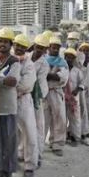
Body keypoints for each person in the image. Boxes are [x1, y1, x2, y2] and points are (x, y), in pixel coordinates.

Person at [0, 27, 21, 177]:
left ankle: (8, 172)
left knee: (10, 140)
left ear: (11, 44)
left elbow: (13, 81)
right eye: (0, 41)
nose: (2, 44)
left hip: (9, 107)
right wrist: (3, 81)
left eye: (5, 41)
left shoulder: (14, 61)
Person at [13, 34, 39, 177]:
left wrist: (11, 84)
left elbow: (25, 85)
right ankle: (14, 160)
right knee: (12, 133)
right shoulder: (9, 60)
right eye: (17, 45)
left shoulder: (29, 64)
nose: (19, 48)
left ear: (26, 48)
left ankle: (30, 165)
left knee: (29, 133)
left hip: (23, 100)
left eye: (22, 46)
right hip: (10, 101)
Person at [44, 36, 70, 156]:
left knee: (59, 119)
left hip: (56, 92)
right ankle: (39, 145)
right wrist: (52, 74)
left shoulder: (62, 62)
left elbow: (62, 78)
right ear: (49, 47)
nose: (55, 50)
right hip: (44, 92)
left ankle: (57, 144)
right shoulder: (43, 59)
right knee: (43, 120)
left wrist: (49, 75)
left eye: (57, 48)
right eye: (53, 47)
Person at [31, 34, 51, 165]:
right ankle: (23, 153)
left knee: (38, 126)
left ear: (45, 50)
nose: (39, 50)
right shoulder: (26, 58)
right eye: (38, 47)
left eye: (42, 48)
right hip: (26, 96)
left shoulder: (44, 64)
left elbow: (37, 81)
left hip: (38, 95)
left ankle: (38, 155)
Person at [64, 48, 89, 146]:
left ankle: (76, 137)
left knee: (75, 117)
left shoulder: (77, 71)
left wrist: (77, 90)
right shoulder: (62, 69)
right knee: (63, 118)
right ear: (65, 58)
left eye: (71, 57)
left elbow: (82, 83)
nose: (69, 59)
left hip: (74, 97)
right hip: (63, 98)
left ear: (74, 59)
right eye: (67, 57)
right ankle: (64, 136)